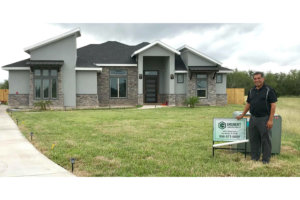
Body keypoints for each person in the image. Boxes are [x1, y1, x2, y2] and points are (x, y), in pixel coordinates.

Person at [236, 72, 277, 164]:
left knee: (265, 140)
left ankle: (266, 159)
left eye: (259, 78)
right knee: (254, 139)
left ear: (263, 79)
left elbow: (273, 105)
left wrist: (270, 120)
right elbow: (248, 104)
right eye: (255, 78)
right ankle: (255, 157)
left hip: (264, 118)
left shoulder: (269, 90)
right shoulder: (251, 91)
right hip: (253, 118)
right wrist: (242, 115)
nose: (256, 80)